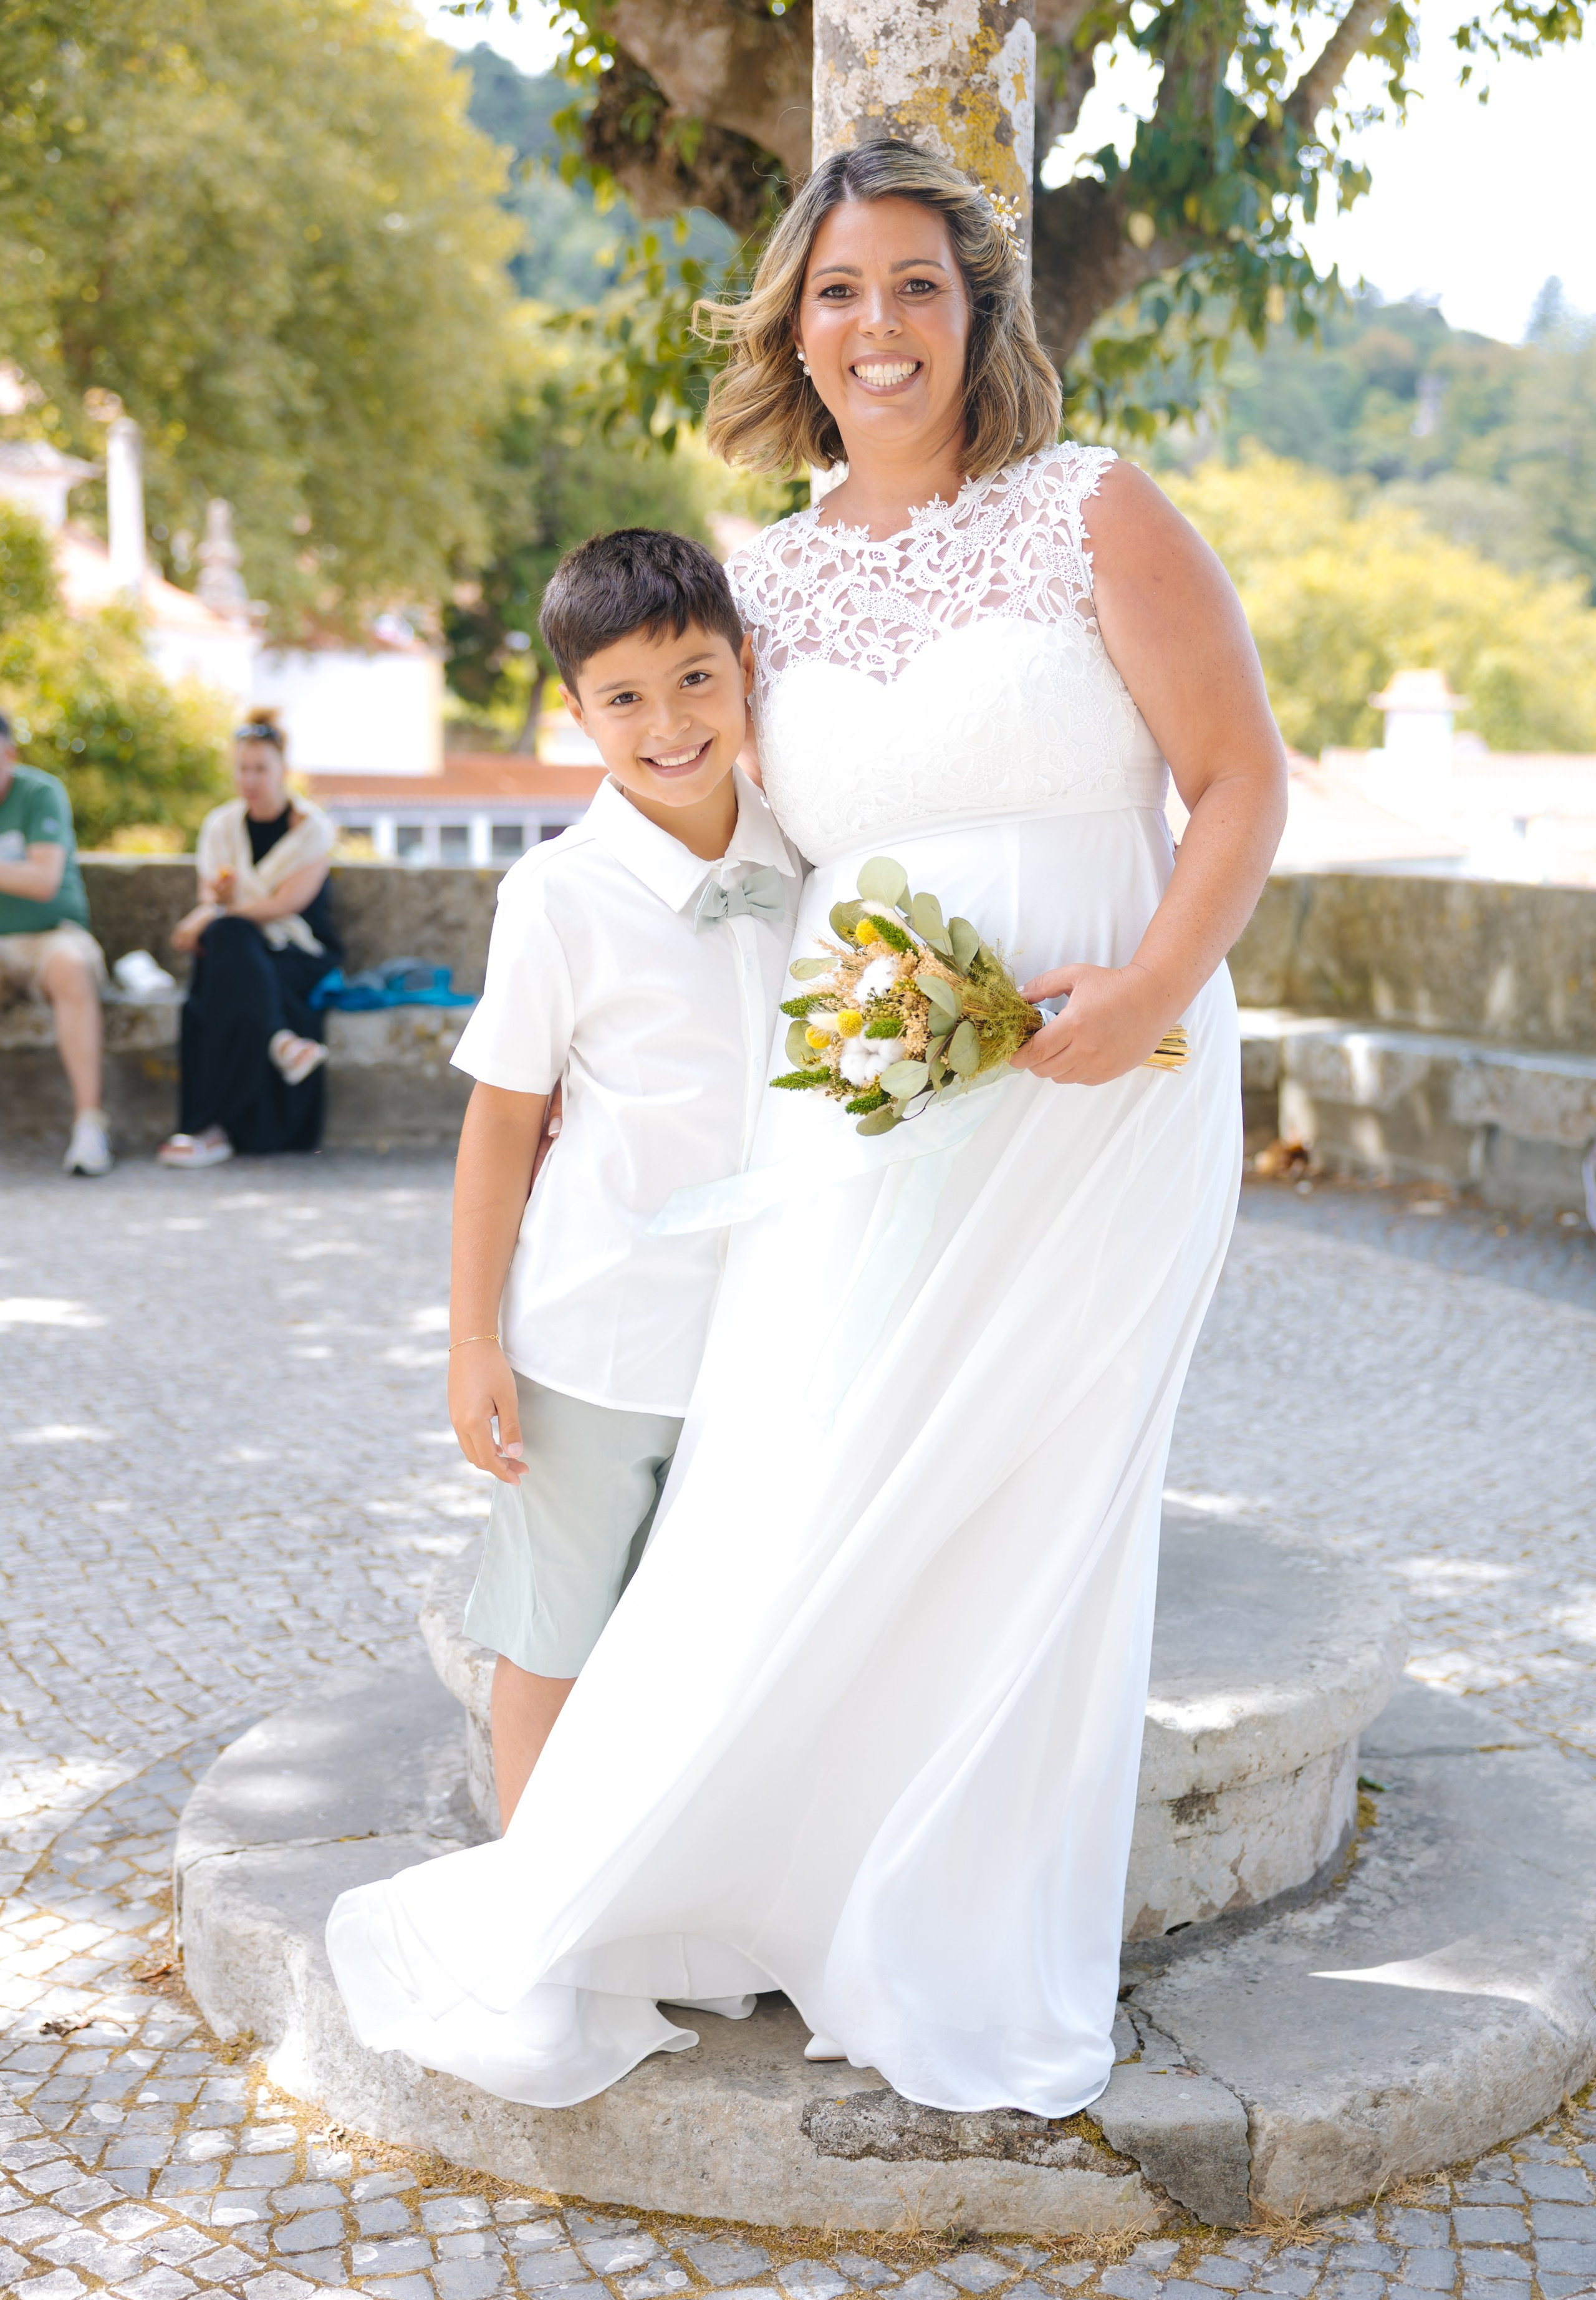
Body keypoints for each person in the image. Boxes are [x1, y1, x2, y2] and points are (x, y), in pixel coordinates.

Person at [327, 137, 1287, 2115]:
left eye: (917, 285)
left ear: (979, 311)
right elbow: (693, 814)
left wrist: (1153, 988)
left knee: (1032, 1506)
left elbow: (1238, 779)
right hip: (864, 1101)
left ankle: (949, 1921)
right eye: (838, 290)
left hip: (1108, 1092)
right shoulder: (750, 577)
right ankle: (726, 1874)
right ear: (794, 320)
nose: (878, 326)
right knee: (808, 1474)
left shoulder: (1092, 509)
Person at [445, 529, 799, 1829]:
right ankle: (535, 1911)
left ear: (745, 668)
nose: (668, 725)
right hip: (592, 1337)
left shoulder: (807, 858)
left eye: (696, 680)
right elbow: (500, 1129)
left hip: (763, 1339)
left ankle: (667, 1900)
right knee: (555, 1634)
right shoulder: (557, 894)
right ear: (577, 710)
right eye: (626, 698)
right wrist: (471, 1341)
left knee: (704, 1644)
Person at [159, 709, 339, 1167]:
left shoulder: (312, 827)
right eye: (243, 768)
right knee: (230, 942)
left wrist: (214, 913)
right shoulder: (221, 825)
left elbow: (285, 905)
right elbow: (212, 895)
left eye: (261, 768)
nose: (251, 779)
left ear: (282, 770)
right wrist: (217, 904)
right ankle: (282, 1043)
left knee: (223, 951)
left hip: (296, 950)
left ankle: (209, 1128)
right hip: (241, 947)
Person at [0, 711, 113, 1176]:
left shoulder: (40, 793)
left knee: (71, 968)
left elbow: (44, 880)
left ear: (9, 754)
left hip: (53, 937)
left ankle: (90, 1124)